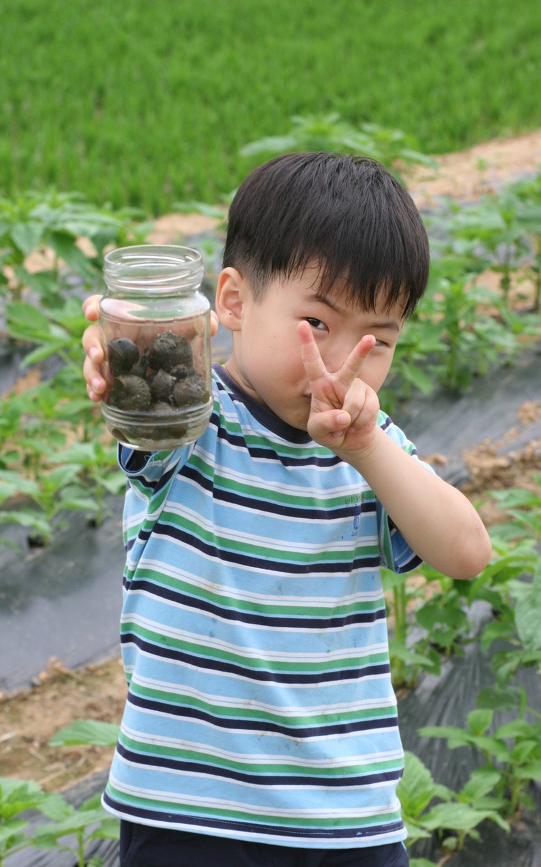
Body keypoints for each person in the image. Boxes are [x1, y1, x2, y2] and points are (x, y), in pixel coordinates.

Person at [82, 152, 492, 867]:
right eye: (317, 324)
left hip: (347, 817)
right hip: (191, 811)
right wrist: (127, 351)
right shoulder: (193, 424)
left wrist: (368, 450)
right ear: (233, 303)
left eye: (377, 342)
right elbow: (140, 396)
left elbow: (467, 552)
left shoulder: (372, 447)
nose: (341, 365)